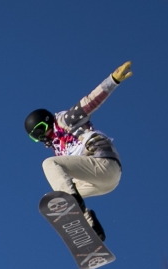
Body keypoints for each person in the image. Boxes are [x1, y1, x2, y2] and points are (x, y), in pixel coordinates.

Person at [24, 61, 132, 240]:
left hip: (102, 161)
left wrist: (112, 80)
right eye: (37, 137)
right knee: (56, 197)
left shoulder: (66, 121)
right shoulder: (60, 149)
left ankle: (73, 202)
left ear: (48, 120)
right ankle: (92, 226)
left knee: (49, 164)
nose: (44, 137)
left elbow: (89, 102)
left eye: (42, 129)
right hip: (106, 183)